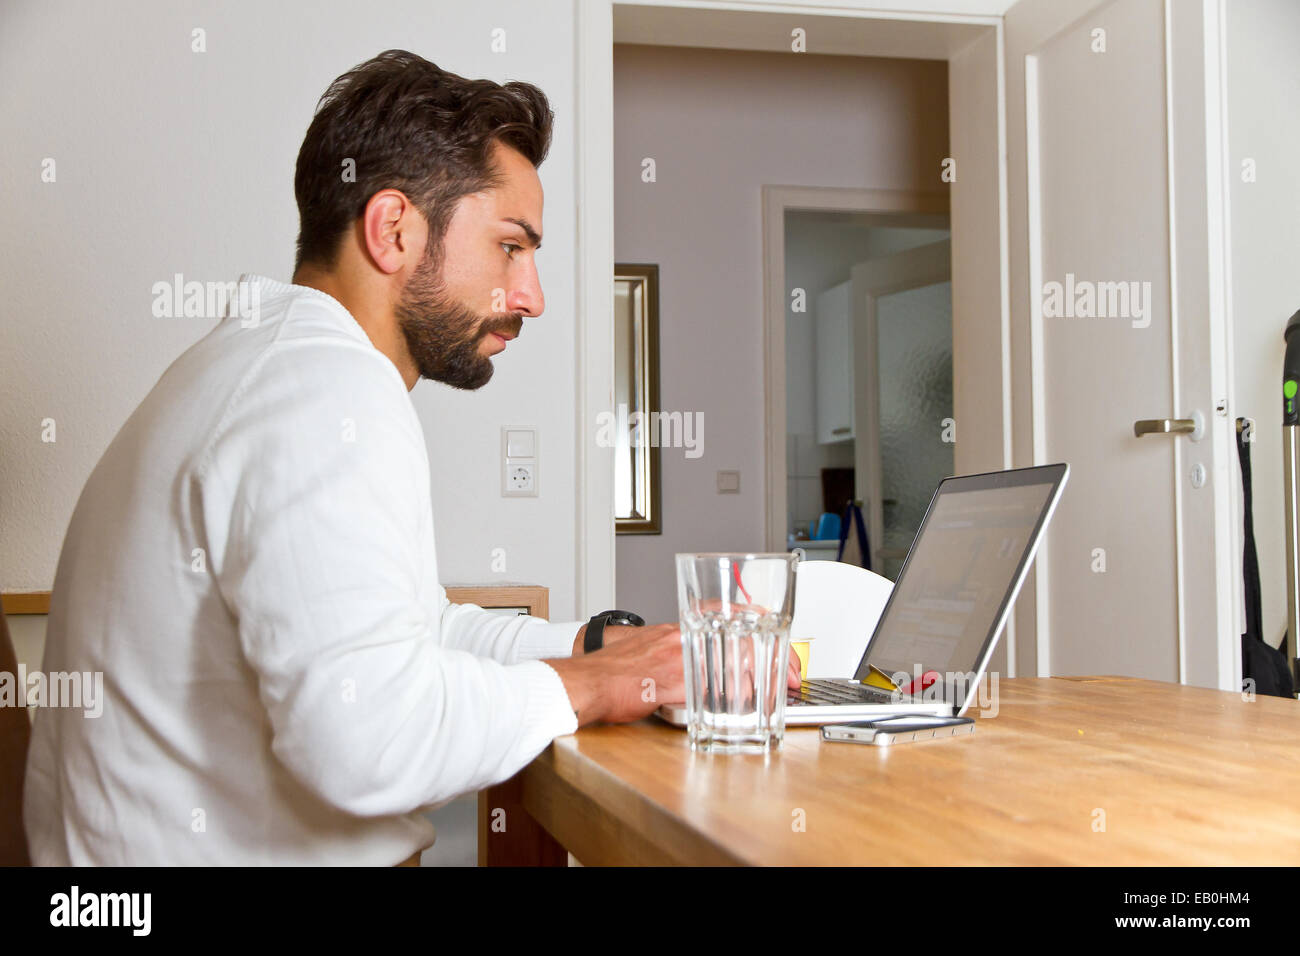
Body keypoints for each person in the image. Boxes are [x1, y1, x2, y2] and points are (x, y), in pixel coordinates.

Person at [23, 49, 800, 866]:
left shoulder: (262, 364)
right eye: (510, 247)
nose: (532, 294)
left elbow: (415, 633)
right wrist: (597, 688)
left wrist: (599, 652)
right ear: (394, 229)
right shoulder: (323, 392)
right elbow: (365, 740)